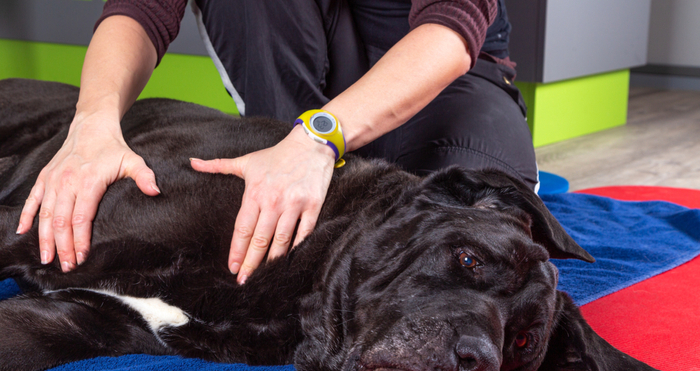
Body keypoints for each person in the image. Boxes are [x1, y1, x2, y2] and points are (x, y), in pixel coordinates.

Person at [17, 0, 538, 285]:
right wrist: (92, 125)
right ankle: (282, 164)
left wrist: (319, 138)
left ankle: (303, 162)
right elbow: (139, 11)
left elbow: (452, 26)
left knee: (482, 241)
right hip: (300, 81)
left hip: (439, 80)